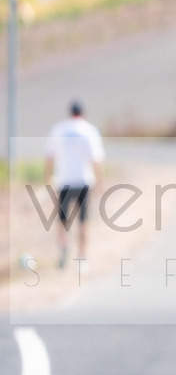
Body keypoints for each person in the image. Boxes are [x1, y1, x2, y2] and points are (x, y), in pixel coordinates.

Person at [44, 100, 105, 271]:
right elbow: (96, 159)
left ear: (69, 113)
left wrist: (47, 177)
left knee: (62, 219)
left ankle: (63, 246)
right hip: (84, 181)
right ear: (83, 113)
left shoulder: (59, 129)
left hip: (64, 181)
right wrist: (100, 181)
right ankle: (82, 257)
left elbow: (49, 156)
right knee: (83, 221)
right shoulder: (89, 130)